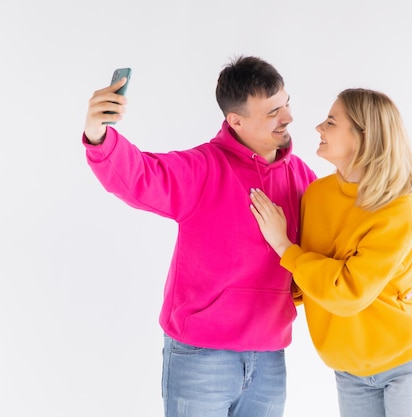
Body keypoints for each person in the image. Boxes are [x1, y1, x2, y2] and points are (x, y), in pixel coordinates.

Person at [81, 56, 316, 417]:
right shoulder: (203, 169)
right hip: (201, 356)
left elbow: (332, 249)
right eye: (272, 112)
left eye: (286, 104)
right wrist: (98, 135)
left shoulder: (302, 178)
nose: (288, 118)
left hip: (269, 357)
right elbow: (142, 175)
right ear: (235, 121)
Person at [249, 88, 412, 417]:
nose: (318, 128)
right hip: (349, 371)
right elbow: (311, 283)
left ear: (363, 136)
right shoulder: (317, 195)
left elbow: (347, 292)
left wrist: (285, 247)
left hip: (406, 365)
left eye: (331, 121)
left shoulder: (399, 208)